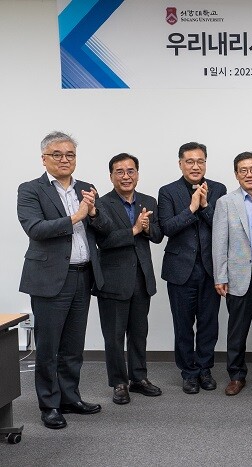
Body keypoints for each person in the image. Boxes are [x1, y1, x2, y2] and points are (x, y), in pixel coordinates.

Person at [17, 131, 111, 429]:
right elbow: (36, 228)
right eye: (57, 154)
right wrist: (75, 217)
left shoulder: (86, 188)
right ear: (44, 158)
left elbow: (104, 228)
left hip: (83, 275)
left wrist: (93, 212)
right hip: (49, 279)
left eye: (70, 154)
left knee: (73, 345)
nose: (64, 159)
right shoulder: (31, 189)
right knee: (49, 347)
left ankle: (70, 397)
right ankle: (49, 404)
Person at [94, 153, 164, 405]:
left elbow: (157, 236)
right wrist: (133, 230)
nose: (126, 176)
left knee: (139, 333)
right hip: (113, 281)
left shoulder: (148, 201)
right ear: (111, 175)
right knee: (114, 336)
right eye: (120, 172)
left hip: (141, 278)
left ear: (137, 173)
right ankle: (119, 383)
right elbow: (103, 241)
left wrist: (146, 228)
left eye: (131, 171)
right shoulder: (101, 205)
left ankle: (138, 378)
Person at [158, 142, 226, 394]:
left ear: (206, 163)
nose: (195, 166)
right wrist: (191, 208)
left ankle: (205, 369)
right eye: (190, 161)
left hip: (210, 268)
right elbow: (166, 228)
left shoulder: (218, 189)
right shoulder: (168, 191)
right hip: (180, 269)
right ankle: (189, 372)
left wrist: (206, 205)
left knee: (209, 323)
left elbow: (221, 226)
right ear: (180, 164)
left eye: (200, 161)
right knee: (183, 324)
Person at [212, 151, 252, 396]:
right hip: (239, 275)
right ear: (236, 174)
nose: (249, 174)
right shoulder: (226, 202)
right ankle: (236, 375)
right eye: (243, 170)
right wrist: (220, 276)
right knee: (237, 329)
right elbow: (219, 242)